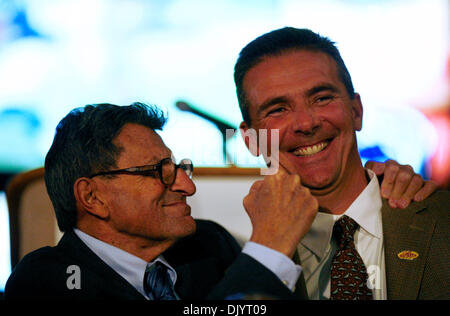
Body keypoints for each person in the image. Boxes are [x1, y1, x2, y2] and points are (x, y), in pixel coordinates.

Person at [5, 102, 432, 300]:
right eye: (160, 173)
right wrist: (267, 249)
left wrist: (371, 188)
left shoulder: (206, 246)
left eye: (180, 168)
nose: (187, 187)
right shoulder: (45, 283)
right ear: (92, 196)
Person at [235, 27, 449, 300]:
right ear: (250, 139)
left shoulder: (443, 222)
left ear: (356, 111)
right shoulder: (234, 262)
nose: (306, 123)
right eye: (278, 109)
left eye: (322, 98)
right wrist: (268, 251)